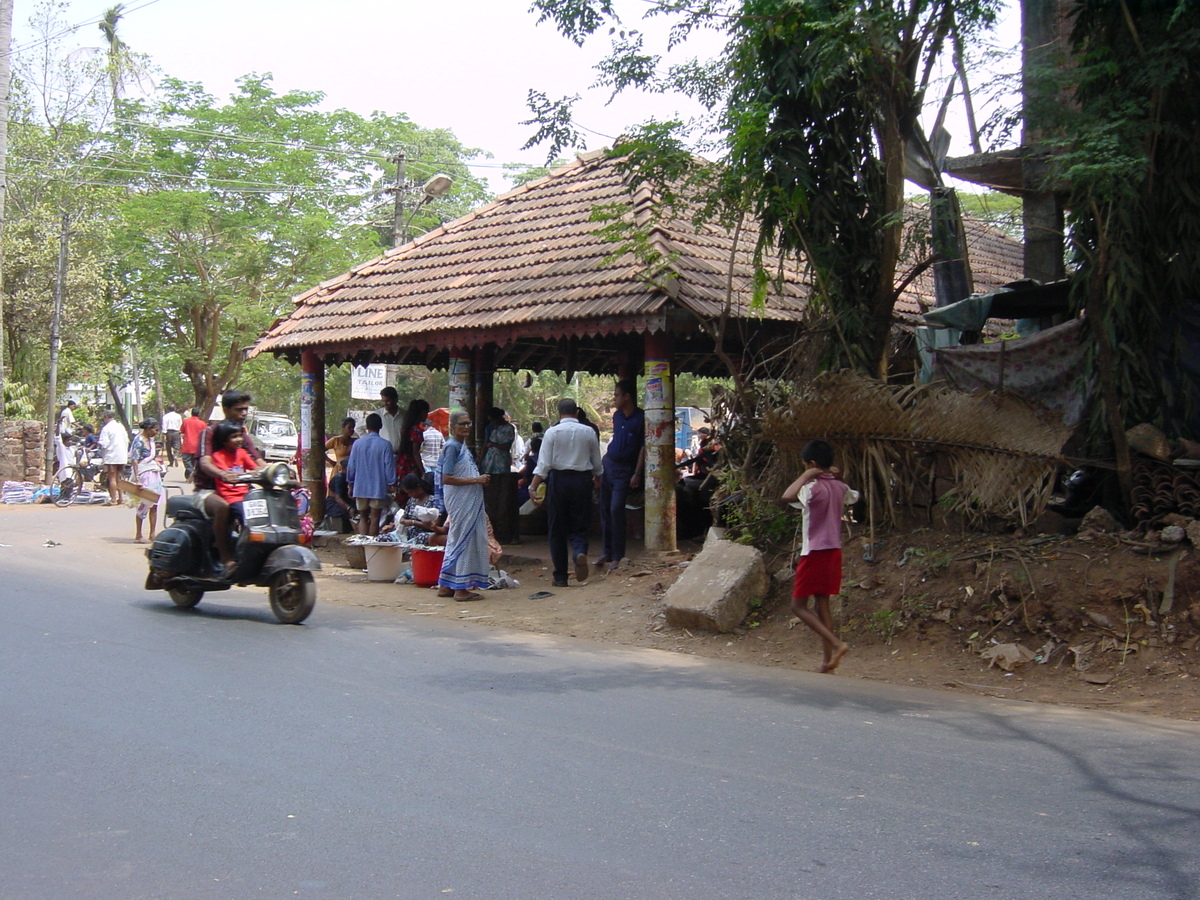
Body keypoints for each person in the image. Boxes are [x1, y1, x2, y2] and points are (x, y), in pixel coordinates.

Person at [781, 439, 859, 674]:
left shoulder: (811, 488)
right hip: (834, 550)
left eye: (805, 465)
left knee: (798, 606)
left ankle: (837, 645)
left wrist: (808, 476)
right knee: (822, 603)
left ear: (812, 464)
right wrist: (828, 474)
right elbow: (851, 494)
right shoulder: (839, 487)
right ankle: (827, 663)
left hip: (814, 551)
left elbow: (787, 496)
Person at [529, 398, 603, 587]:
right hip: (582, 481)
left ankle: (560, 576)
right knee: (580, 523)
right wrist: (597, 478)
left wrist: (533, 486)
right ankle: (579, 550)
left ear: (558, 413)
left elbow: (543, 464)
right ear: (577, 412)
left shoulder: (552, 432)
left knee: (557, 528)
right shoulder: (588, 432)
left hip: (559, 481)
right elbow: (597, 462)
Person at [437, 408, 491, 602]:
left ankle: (446, 585)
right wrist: (476, 480)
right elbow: (447, 478)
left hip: (465, 500)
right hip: (461, 501)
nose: (466, 427)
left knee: (456, 539)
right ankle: (461, 589)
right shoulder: (452, 446)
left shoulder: (460, 445)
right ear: (452, 427)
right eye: (462, 423)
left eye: (468, 423)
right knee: (464, 540)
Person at [195, 391, 264, 538]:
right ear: (225, 409)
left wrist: (281, 473)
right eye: (239, 409)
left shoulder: (242, 435)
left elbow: (259, 462)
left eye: (246, 409)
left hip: (238, 488)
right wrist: (223, 474)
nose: (244, 413)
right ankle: (225, 555)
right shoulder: (209, 432)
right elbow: (205, 463)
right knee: (223, 507)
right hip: (208, 490)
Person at [597, 379, 645, 572]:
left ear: (627, 397)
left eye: (617, 395)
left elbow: (643, 447)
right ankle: (607, 552)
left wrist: (637, 473)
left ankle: (618, 556)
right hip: (609, 464)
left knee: (617, 510)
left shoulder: (641, 418)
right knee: (605, 510)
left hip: (625, 470)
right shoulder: (617, 417)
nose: (614, 399)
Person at [208, 420, 264, 574]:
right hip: (230, 497)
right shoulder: (217, 456)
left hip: (247, 495)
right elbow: (226, 473)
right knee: (248, 520)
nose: (239, 439)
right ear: (224, 441)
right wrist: (236, 475)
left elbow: (256, 468)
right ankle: (242, 553)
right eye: (234, 437)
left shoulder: (242, 453)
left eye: (240, 436)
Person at [345, 413, 396, 536]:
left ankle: (363, 545)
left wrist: (350, 484)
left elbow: (351, 466)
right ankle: (371, 548)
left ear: (367, 426)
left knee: (363, 517)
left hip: (360, 485)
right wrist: (392, 483)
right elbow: (389, 467)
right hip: (378, 487)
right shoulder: (385, 445)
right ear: (381, 426)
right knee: (375, 518)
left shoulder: (357, 444)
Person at [480, 406, 519, 543]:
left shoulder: (508, 428)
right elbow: (485, 445)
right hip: (489, 466)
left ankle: (503, 533)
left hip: (501, 467)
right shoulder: (489, 428)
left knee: (502, 500)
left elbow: (506, 446)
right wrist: (481, 462)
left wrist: (493, 444)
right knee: (490, 500)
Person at [130, 418, 165, 543]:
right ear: (148, 429)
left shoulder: (151, 440)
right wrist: (138, 479)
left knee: (154, 505)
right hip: (144, 474)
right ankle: (138, 534)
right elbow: (134, 460)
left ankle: (152, 534)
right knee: (144, 504)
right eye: (155, 430)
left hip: (154, 474)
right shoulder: (139, 441)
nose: (156, 432)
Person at [393, 472, 448, 546]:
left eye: (411, 492)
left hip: (423, 534)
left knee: (422, 538)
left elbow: (435, 525)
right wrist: (402, 519)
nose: (410, 495)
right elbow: (405, 515)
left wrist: (414, 522)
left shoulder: (433, 501)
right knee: (384, 537)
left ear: (419, 488)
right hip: (407, 533)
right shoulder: (411, 500)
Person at [98, 409, 130, 506]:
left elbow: (104, 443)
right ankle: (121, 498)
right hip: (122, 456)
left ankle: (113, 499)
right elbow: (126, 440)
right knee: (118, 477)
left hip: (111, 456)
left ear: (106, 417)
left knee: (112, 478)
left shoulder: (106, 429)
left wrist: (98, 445)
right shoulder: (121, 427)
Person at [361, 386, 404, 457]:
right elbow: (358, 428)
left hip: (401, 456)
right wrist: (372, 441)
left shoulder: (404, 415)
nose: (385, 404)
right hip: (382, 455)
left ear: (396, 399)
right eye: (383, 401)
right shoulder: (377, 414)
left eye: (388, 401)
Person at [396, 398, 430, 485]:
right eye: (427, 412)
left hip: (402, 463)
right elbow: (415, 452)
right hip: (411, 466)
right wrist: (423, 472)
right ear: (422, 413)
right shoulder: (416, 430)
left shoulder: (406, 427)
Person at [180, 408, 207, 483]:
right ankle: (191, 475)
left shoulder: (186, 421)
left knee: (186, 461)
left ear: (191, 413)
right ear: (199, 414)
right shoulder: (202, 423)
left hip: (187, 445)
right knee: (194, 462)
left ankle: (192, 473)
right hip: (197, 446)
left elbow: (182, 430)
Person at [161, 403, 183, 467]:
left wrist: (164, 435)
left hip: (168, 433)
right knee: (177, 446)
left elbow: (164, 426)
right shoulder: (178, 416)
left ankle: (171, 462)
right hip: (176, 432)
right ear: (174, 409)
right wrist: (180, 432)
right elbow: (180, 425)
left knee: (168, 448)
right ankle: (175, 455)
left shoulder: (165, 416)